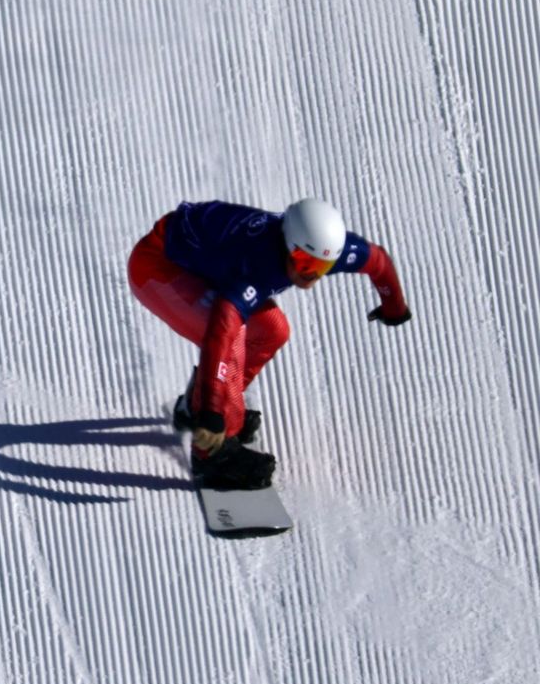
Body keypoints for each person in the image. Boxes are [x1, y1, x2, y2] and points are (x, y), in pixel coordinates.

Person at [128, 198, 411, 489]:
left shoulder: (322, 248)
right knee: (234, 343)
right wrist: (213, 413)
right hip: (157, 266)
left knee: (273, 331)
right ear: (287, 245)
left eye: (322, 266)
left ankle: (199, 408)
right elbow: (220, 335)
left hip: (204, 263)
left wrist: (394, 307)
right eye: (304, 262)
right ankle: (212, 455)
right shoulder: (259, 263)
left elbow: (378, 261)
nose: (310, 275)